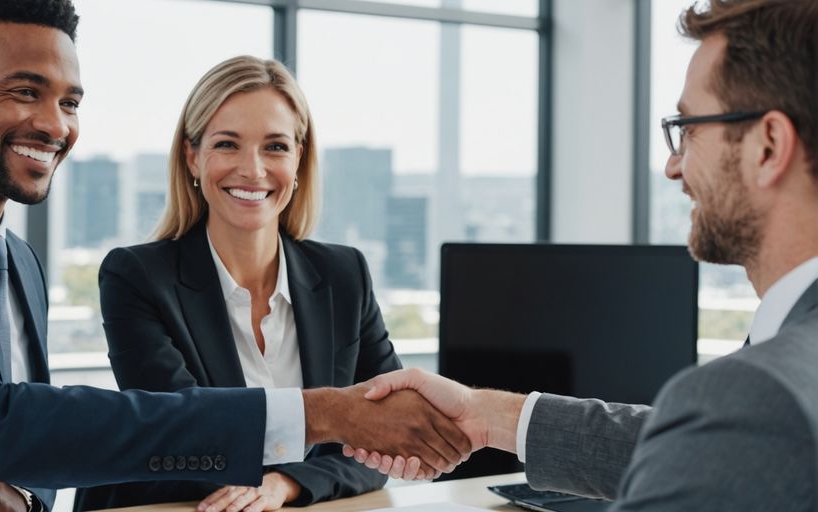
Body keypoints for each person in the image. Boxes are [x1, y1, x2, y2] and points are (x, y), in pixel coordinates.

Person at [0, 1, 470, 510]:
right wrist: (324, 413)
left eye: (69, 102)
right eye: (26, 92)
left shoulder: (16, 263)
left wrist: (21, 494)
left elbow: (33, 450)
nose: (56, 125)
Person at [346, 0, 818, 509]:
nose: (672, 166)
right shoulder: (780, 376)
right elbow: (712, 451)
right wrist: (486, 415)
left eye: (689, 129)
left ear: (767, 146)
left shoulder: (758, 394)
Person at [74, 56, 401, 512]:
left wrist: (285, 484)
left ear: (299, 157)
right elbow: (186, 436)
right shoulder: (136, 277)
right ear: (192, 155)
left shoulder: (345, 276)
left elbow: (386, 434)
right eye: (228, 144)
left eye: (275, 147)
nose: (252, 170)